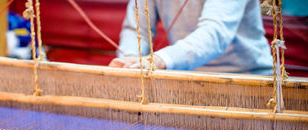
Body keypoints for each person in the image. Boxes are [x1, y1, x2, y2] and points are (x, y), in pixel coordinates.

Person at [109, 0, 273, 75]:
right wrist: (130, 59)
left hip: (249, 80)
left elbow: (214, 34)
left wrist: (158, 59)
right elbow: (137, 30)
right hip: (186, 77)